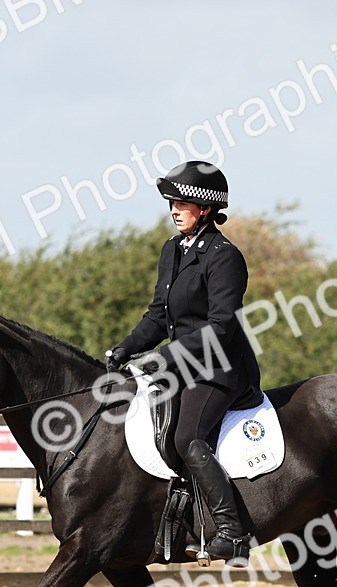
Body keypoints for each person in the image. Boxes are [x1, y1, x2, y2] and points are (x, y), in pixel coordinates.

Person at [106, 160, 262, 566]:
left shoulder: (225, 257)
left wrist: (160, 357)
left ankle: (232, 532)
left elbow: (221, 327)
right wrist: (124, 349)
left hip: (220, 368)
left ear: (205, 209)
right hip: (181, 366)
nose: (173, 210)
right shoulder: (172, 250)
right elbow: (159, 314)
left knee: (185, 438)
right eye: (171, 203)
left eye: (181, 203)